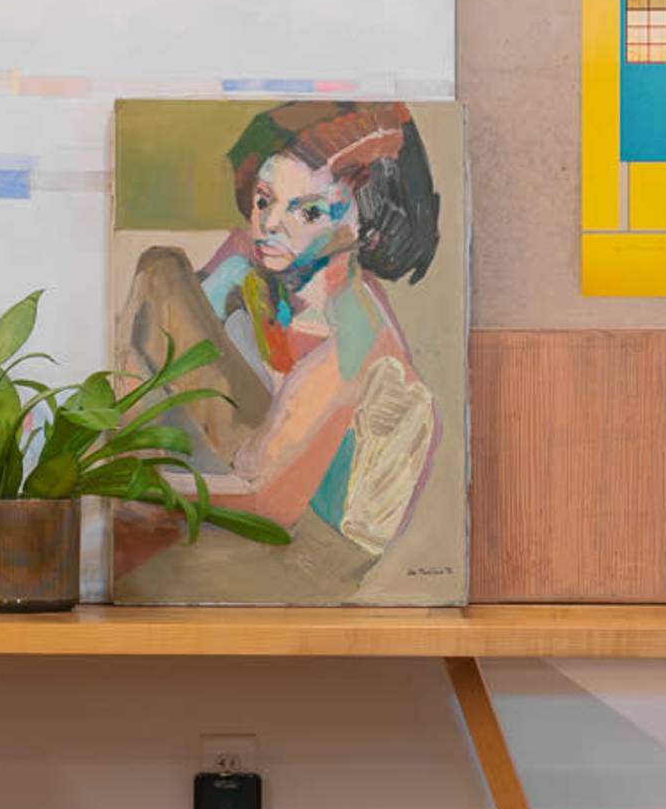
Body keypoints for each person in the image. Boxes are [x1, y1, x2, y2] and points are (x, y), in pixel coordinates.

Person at [118, 100, 444, 592]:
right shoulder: (261, 259)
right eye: (264, 199)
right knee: (159, 269)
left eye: (307, 210)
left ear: (363, 224)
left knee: (136, 549)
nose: (267, 224)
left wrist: (140, 492)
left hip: (308, 554)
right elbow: (175, 326)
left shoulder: (355, 340)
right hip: (246, 476)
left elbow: (270, 507)